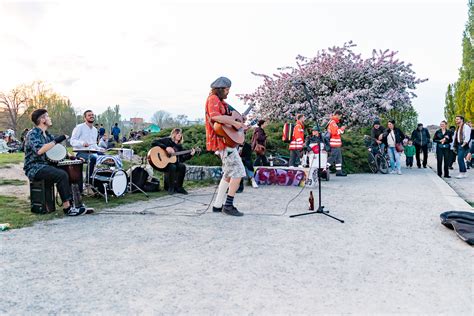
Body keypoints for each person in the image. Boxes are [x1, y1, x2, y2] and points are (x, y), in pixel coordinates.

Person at [23, 109, 86, 216]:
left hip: (46, 165)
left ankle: (76, 203)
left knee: (70, 169)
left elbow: (58, 148)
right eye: (48, 116)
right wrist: (57, 139)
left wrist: (72, 157)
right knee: (61, 175)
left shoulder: (47, 135)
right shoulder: (32, 134)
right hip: (34, 167)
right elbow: (39, 150)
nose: (50, 118)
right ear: (42, 119)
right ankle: (68, 208)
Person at [205, 76, 247, 216]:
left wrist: (238, 121)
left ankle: (217, 205)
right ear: (220, 89)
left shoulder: (221, 101)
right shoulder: (213, 100)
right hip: (223, 142)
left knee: (228, 174)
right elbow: (215, 116)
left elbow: (229, 117)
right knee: (239, 172)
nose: (228, 92)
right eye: (227, 89)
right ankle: (228, 205)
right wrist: (235, 123)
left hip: (225, 142)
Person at [151, 128, 195, 195]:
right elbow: (154, 142)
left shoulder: (179, 146)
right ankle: (171, 188)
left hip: (173, 163)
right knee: (172, 166)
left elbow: (182, 159)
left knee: (182, 166)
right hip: (164, 163)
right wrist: (166, 147)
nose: (180, 135)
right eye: (178, 134)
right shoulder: (167, 140)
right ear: (174, 134)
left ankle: (179, 187)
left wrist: (190, 155)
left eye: (180, 134)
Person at [70, 110, 104, 180]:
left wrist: (100, 149)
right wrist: (82, 143)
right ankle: (89, 180)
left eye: (92, 115)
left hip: (92, 152)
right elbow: (72, 141)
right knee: (92, 158)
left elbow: (94, 145)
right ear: (84, 118)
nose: (91, 116)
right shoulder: (79, 127)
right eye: (89, 115)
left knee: (106, 158)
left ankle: (103, 180)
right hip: (80, 152)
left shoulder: (95, 130)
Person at [326, 110, 347, 176]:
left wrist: (341, 130)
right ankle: (324, 168)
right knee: (333, 157)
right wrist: (342, 129)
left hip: (336, 143)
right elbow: (334, 133)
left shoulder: (333, 122)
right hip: (334, 143)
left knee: (338, 158)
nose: (340, 118)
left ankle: (339, 172)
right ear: (337, 115)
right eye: (340, 116)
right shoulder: (333, 123)